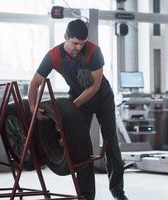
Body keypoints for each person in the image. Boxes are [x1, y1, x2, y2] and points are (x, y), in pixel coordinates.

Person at [28, 19, 128, 200]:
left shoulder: (94, 51)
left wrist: (71, 107)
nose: (78, 47)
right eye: (75, 43)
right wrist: (33, 107)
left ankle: (117, 192)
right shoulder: (53, 56)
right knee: (82, 147)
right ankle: (86, 196)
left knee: (111, 143)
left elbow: (95, 87)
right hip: (78, 97)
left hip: (102, 97)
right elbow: (34, 83)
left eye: (82, 44)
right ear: (65, 36)